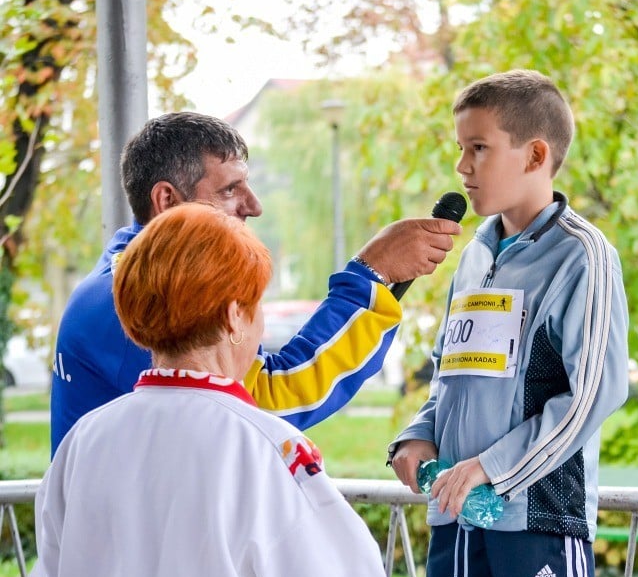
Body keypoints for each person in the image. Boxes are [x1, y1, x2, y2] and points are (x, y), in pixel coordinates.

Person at [33, 203, 386, 577]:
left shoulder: (83, 441)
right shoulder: (269, 448)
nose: (262, 327)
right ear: (235, 316)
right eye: (256, 307)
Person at [50, 111, 461, 455]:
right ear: (166, 200)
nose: (254, 206)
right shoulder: (133, 299)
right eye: (230, 189)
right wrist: (372, 275)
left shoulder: (129, 273)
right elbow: (260, 404)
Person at [387, 70, 629, 577]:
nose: (462, 167)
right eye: (460, 149)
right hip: (457, 516)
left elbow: (593, 394)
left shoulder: (583, 256)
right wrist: (417, 436)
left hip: (537, 520)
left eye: (479, 148)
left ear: (535, 154)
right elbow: (451, 376)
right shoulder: (473, 254)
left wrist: (493, 468)